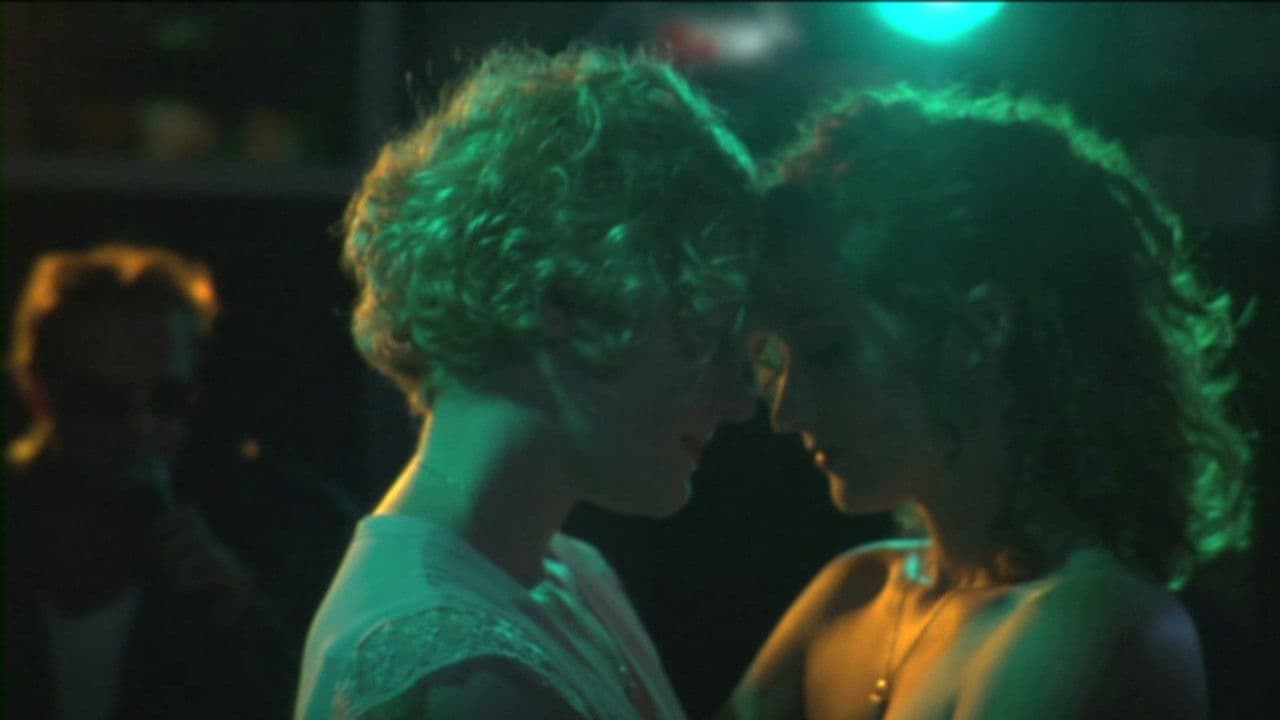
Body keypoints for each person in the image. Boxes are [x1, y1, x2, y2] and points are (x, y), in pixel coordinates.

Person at [722, 84, 1255, 719]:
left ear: (981, 327)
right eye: (774, 361)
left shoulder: (1097, 621)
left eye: (829, 352)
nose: (787, 413)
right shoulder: (852, 593)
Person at [295, 45, 761, 720]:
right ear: (560, 296)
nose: (741, 399)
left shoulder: (568, 576)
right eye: (703, 331)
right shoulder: (464, 674)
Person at [3, 243, 294, 719]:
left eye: (167, 399)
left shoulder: (240, 541)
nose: (139, 428)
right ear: (41, 396)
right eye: (102, 399)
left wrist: (240, 623)